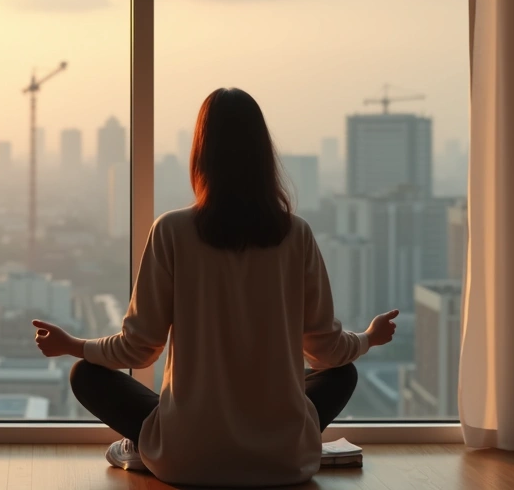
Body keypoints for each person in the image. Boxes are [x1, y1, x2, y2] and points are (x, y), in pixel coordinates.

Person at [32, 88, 399, 488]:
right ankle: (269, 440)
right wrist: (368, 339)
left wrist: (72, 345)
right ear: (263, 156)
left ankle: (147, 448)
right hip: (283, 462)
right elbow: (327, 352)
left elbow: (139, 349)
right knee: (343, 375)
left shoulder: (171, 231)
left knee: (85, 374)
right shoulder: (296, 234)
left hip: (186, 459)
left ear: (201, 155)